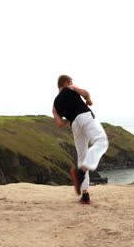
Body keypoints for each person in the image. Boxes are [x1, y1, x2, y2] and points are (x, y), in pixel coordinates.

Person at [52, 75, 109, 204]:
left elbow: (59, 124)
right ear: (67, 83)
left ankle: (85, 195)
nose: (73, 84)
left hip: (74, 125)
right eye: (71, 82)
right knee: (101, 142)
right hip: (85, 116)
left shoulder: (55, 105)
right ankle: (81, 171)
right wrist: (89, 101)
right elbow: (85, 93)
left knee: (82, 157)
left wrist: (71, 118)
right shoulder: (70, 88)